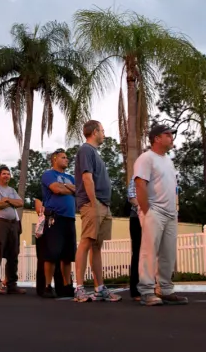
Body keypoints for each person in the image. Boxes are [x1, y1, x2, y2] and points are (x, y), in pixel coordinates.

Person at [133, 125, 189, 306]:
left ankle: (165, 289)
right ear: (156, 138)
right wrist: (147, 211)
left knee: (168, 253)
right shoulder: (146, 158)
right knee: (149, 252)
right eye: (167, 134)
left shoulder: (168, 161)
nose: (171, 137)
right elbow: (140, 185)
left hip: (171, 213)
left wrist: (175, 211)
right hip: (154, 211)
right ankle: (147, 291)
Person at [73, 120, 120, 302]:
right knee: (86, 243)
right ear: (94, 132)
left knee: (96, 246)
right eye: (102, 130)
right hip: (93, 203)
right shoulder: (86, 150)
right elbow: (87, 177)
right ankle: (79, 288)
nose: (104, 134)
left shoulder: (95, 153)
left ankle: (100, 288)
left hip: (103, 204)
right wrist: (93, 203)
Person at [39, 149, 77, 299]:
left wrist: (66, 188)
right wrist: (70, 189)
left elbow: (78, 190)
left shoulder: (71, 177)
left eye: (67, 157)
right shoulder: (49, 174)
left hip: (69, 218)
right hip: (55, 218)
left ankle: (67, 286)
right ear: (55, 159)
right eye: (63, 157)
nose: (67, 160)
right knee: (51, 254)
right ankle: (48, 286)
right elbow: (56, 189)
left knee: (67, 256)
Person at [0, 166, 26, 295]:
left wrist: (8, 200)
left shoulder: (11, 190)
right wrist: (12, 203)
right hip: (0, 224)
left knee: (13, 255)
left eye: (8, 174)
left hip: (13, 224)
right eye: (4, 174)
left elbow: (20, 203)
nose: (6, 176)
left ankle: (11, 284)